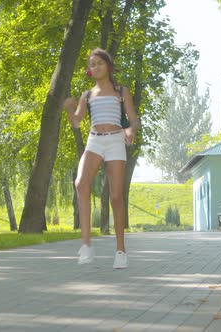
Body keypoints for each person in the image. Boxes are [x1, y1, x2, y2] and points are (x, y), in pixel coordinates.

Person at [64, 48, 139, 269]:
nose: (95, 67)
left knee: (116, 197)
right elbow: (77, 122)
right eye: (92, 64)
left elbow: (133, 120)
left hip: (116, 140)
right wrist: (70, 109)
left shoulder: (121, 91)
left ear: (108, 65)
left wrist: (130, 131)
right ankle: (86, 245)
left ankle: (121, 251)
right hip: (94, 140)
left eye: (99, 63)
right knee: (81, 183)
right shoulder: (87, 95)